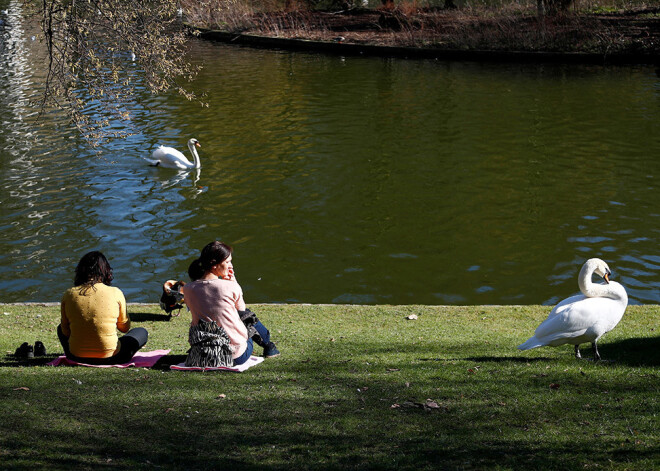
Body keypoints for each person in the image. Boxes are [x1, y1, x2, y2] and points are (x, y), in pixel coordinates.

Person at [183, 241, 280, 366]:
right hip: (234, 356)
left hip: (202, 355)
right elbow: (242, 312)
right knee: (248, 316)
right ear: (214, 265)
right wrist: (233, 282)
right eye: (228, 262)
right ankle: (269, 347)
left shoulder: (188, 288)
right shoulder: (230, 287)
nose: (231, 266)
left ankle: (269, 346)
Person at [58, 251, 148, 365]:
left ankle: (82, 350)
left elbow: (65, 332)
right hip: (113, 357)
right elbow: (124, 328)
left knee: (60, 328)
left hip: (75, 357)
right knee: (141, 332)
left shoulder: (69, 294)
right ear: (106, 271)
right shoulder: (115, 292)